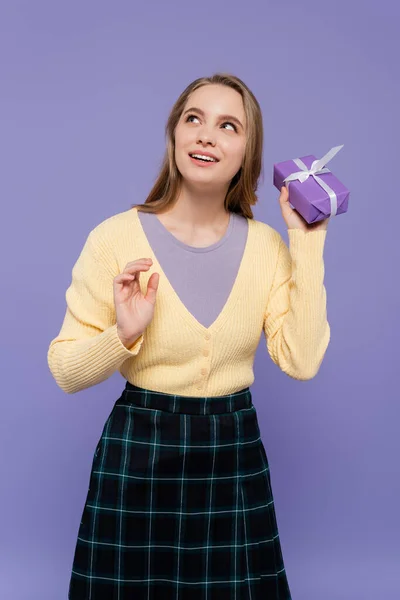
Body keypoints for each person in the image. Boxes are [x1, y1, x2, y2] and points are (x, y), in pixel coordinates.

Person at [47, 73, 330, 600]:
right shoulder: (113, 237)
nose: (206, 135)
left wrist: (306, 242)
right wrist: (122, 334)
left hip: (233, 450)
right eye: (193, 118)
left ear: (248, 151)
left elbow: (302, 360)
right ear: (174, 133)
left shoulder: (268, 247)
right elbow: (65, 371)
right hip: (138, 451)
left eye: (228, 125)